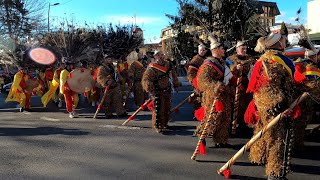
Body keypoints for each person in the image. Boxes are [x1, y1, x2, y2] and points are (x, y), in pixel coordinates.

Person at [244, 30, 299, 179]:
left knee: (265, 134)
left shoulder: (277, 59)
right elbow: (265, 87)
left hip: (274, 105)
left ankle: (260, 157)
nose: (285, 41)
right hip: (273, 107)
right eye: (283, 39)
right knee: (277, 139)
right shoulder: (270, 61)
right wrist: (277, 105)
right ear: (278, 43)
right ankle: (275, 174)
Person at [193, 34, 232, 148]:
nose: (224, 50)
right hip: (213, 96)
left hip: (224, 95)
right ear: (215, 50)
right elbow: (202, 80)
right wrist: (216, 86)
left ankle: (221, 139)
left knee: (224, 119)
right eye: (222, 48)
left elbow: (228, 76)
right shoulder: (208, 64)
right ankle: (201, 136)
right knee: (212, 118)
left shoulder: (223, 62)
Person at [142, 50, 180, 133]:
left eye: (162, 55)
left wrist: (176, 84)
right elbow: (146, 79)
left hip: (167, 89)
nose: (160, 57)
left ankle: (165, 123)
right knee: (158, 109)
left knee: (167, 107)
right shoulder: (152, 67)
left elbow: (173, 75)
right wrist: (149, 88)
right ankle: (157, 125)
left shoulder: (168, 65)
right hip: (157, 91)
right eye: (158, 55)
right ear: (155, 57)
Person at [226, 41, 255, 135]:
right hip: (235, 87)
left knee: (246, 106)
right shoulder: (230, 59)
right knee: (235, 107)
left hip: (247, 87)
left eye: (245, 49)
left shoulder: (250, 59)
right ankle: (233, 125)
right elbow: (228, 70)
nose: (244, 50)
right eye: (242, 49)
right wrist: (235, 68)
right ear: (237, 49)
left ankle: (244, 124)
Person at [293, 48, 320, 150]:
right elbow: (313, 84)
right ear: (315, 56)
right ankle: (298, 143)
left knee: (300, 121)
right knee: (301, 121)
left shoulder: (300, 65)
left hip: (300, 97)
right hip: (306, 98)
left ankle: (297, 141)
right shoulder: (311, 67)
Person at [187, 44, 207, 112]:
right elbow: (190, 73)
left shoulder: (206, 59)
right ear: (198, 51)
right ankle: (196, 113)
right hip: (197, 82)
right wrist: (194, 82)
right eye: (201, 50)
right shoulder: (195, 60)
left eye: (204, 50)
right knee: (198, 99)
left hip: (205, 82)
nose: (202, 51)